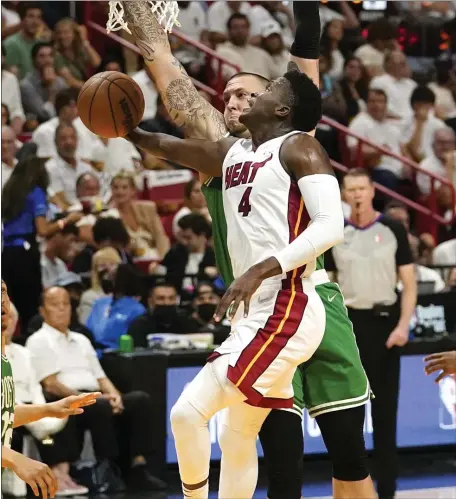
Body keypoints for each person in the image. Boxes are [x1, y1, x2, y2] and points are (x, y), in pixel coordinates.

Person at [121, 2, 375, 499]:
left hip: (309, 297)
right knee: (273, 447)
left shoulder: (296, 137)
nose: (231, 99)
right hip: (254, 308)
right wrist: (139, 16)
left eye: (246, 92)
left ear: (276, 103)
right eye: (228, 93)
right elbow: (167, 69)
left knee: (347, 452)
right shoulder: (221, 149)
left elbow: (305, 44)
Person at [326, 168, 417, 499]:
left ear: (372, 190)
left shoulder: (392, 228)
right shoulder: (334, 231)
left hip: (385, 326)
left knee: (385, 415)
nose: (357, 194)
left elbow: (408, 285)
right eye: (351, 190)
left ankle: (388, 490)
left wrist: (403, 325)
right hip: (348, 328)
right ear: (343, 194)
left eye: (362, 188)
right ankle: (353, 491)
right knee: (349, 418)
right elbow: (328, 286)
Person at [25, 286, 166, 492]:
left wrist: (115, 396)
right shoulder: (38, 340)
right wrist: (88, 398)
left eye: (66, 304)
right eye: (55, 305)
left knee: (139, 400)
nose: (62, 309)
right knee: (99, 406)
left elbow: (101, 377)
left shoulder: (82, 340)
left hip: (95, 395)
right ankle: (105, 468)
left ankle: (138, 466)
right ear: (42, 311)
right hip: (68, 399)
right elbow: (50, 384)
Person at [1, 280, 99, 498]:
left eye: (3, 292)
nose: (1, 301)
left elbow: (4, 416)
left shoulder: (6, 360)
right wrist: (15, 458)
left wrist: (50, 409)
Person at [2, 156, 80, 329]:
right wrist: (66, 221)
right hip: (25, 253)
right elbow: (43, 230)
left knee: (10, 309)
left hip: (6, 254)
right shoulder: (35, 192)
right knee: (30, 308)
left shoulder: (9, 191)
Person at [106, 170, 170, 263]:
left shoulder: (147, 208)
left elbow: (160, 236)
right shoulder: (109, 215)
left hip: (154, 257)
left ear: (133, 190)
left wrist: (162, 261)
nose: (120, 192)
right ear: (111, 190)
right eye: (116, 188)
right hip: (128, 261)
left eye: (124, 187)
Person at [86, 264, 145, 350]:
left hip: (117, 356)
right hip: (91, 352)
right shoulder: (100, 303)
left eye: (112, 275)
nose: (106, 279)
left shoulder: (137, 310)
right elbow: (88, 331)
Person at [127, 282, 199, 347]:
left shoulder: (187, 323)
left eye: (171, 298)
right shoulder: (139, 326)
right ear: (150, 302)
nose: (166, 303)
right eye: (161, 298)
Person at [19, 41, 67, 123]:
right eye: (42, 56)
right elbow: (44, 115)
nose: (47, 60)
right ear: (34, 60)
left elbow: (67, 108)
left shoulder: (60, 81)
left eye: (50, 56)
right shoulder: (26, 85)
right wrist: (52, 89)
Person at [53, 17, 101, 90]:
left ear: (74, 34)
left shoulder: (79, 50)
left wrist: (85, 41)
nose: (62, 36)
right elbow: (71, 81)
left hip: (82, 90)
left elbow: (97, 63)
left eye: (66, 32)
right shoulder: (56, 54)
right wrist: (93, 89)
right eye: (59, 33)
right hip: (67, 93)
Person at [78, 246, 122, 324]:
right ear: (95, 271)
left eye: (112, 264)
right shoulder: (89, 297)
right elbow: (85, 325)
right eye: (102, 265)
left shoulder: (126, 295)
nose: (109, 269)